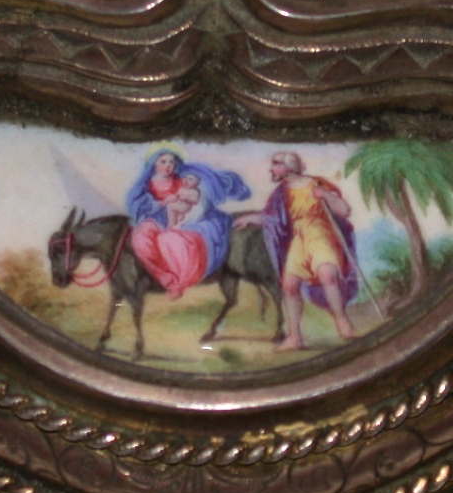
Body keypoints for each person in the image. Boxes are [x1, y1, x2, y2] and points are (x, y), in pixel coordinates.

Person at [234, 151, 358, 350]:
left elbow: (345, 210)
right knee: (289, 285)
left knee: (327, 274)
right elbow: (272, 218)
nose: (271, 169)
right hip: (299, 239)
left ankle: (342, 321)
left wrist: (325, 195)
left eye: (276, 164)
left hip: (321, 234)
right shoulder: (281, 193)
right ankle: (295, 337)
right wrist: (251, 219)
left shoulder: (316, 183)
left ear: (289, 167)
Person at [127, 144, 250, 299]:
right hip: (156, 219)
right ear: (153, 163)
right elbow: (141, 206)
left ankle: (179, 283)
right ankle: (166, 279)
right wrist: (162, 202)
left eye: (172, 162)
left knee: (174, 241)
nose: (168, 166)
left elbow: (195, 198)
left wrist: (184, 202)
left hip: (183, 218)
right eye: (163, 161)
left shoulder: (182, 180)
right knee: (141, 239)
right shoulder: (146, 185)